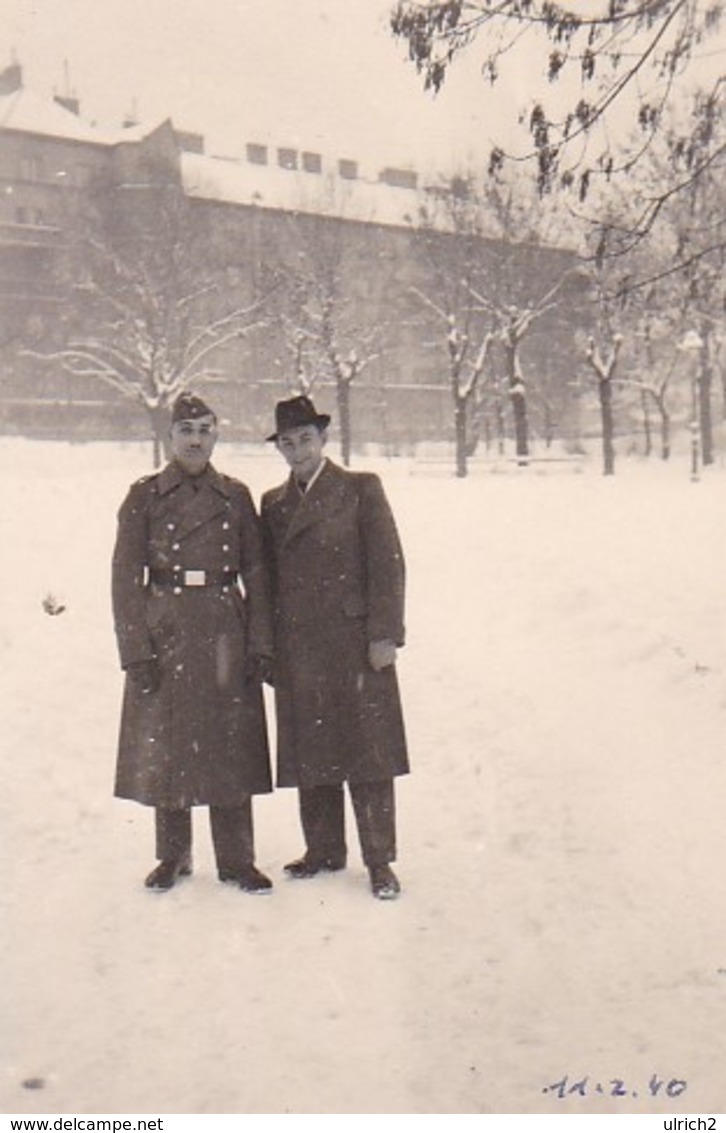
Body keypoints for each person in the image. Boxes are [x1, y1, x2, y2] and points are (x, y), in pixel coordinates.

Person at [112, 392, 274, 893]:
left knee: (230, 742)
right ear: (170, 437)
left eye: (205, 429)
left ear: (217, 435)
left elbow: (258, 572)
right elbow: (123, 576)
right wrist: (135, 650)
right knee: (170, 743)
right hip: (168, 626)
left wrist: (260, 642)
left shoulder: (237, 495)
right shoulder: (143, 495)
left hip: (226, 621)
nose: (196, 439)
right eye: (187, 430)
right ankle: (173, 856)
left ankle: (237, 860)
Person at [261, 395, 409, 900]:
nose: (298, 450)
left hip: (354, 644)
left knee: (368, 753)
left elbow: (388, 565)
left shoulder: (360, 489)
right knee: (312, 749)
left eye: (306, 439)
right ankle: (323, 850)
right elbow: (269, 581)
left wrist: (385, 634)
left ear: (324, 440)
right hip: (299, 645)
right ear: (278, 448)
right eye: (288, 442)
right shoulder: (273, 504)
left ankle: (379, 861)